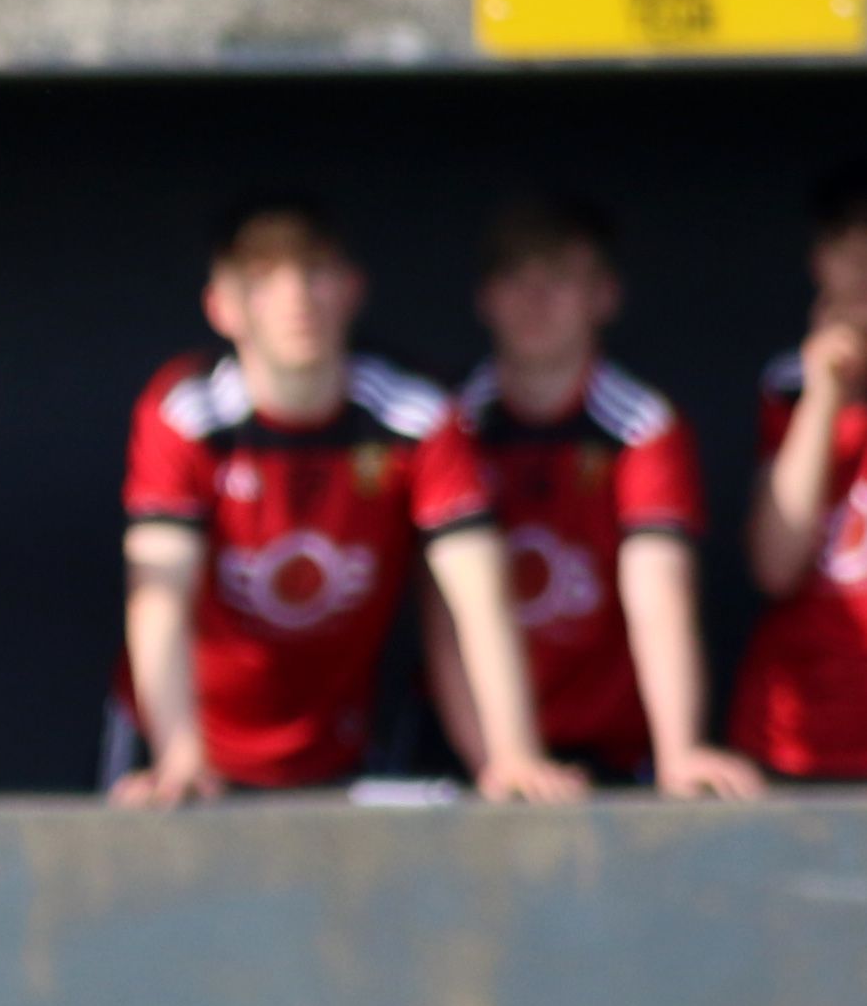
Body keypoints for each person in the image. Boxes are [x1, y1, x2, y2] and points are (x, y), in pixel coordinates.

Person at [110, 198, 568, 802]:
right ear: (221, 307)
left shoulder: (417, 412)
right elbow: (158, 596)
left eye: (316, 271)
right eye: (264, 279)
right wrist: (178, 752)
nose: (296, 297)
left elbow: (475, 595)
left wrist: (514, 754)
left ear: (352, 291)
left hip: (347, 745)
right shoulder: (185, 413)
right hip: (185, 747)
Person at [436, 196, 757, 798]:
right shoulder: (447, 422)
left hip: (611, 747)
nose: (535, 301)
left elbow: (660, 591)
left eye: (558, 279)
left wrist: (680, 753)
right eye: (514, 279)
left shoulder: (642, 425)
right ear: (485, 298)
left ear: (604, 297)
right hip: (471, 747)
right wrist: (499, 761)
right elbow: (447, 611)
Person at [730, 160, 867, 780]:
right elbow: (775, 566)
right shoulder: (793, 386)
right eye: (846, 246)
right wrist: (825, 394)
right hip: (796, 741)